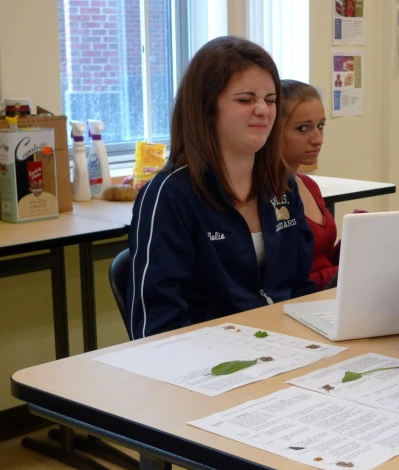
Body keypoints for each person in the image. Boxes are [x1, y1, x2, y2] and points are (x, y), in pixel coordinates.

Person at [126, 37, 317, 340]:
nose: (263, 110)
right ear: (207, 108)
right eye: (245, 100)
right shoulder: (170, 195)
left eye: (270, 100)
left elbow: (300, 290)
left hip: (284, 350)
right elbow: (157, 325)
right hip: (209, 362)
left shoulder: (283, 184)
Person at [279, 80, 339, 290]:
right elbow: (287, 280)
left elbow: (323, 256)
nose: (317, 139)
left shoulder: (309, 185)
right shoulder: (270, 194)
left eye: (320, 126)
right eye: (303, 128)